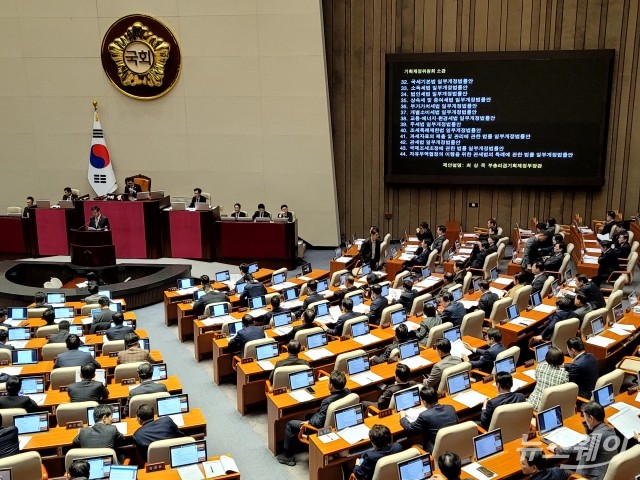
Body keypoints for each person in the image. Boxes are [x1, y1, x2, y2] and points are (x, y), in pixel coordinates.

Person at [277, 370, 350, 466]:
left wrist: (308, 422)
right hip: (338, 423)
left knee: (290, 424)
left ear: (331, 386)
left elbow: (317, 422)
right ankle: (301, 443)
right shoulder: (348, 392)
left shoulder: (327, 402)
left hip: (323, 428)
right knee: (308, 415)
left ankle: (288, 457)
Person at [549, 402, 618, 479]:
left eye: (585, 417)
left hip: (592, 476)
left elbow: (574, 449)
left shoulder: (597, 437)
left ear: (591, 418)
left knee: (558, 470)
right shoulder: (610, 430)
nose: (584, 419)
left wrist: (556, 449)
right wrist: (589, 425)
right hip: (604, 470)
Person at [399, 386, 457, 452]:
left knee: (412, 444)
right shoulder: (450, 408)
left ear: (424, 402)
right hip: (454, 443)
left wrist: (403, 417)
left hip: (436, 449)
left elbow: (410, 429)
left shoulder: (424, 415)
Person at [527, 347, 569, 411]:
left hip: (532, 404)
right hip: (549, 408)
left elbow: (537, 377)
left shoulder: (540, 367)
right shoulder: (564, 374)